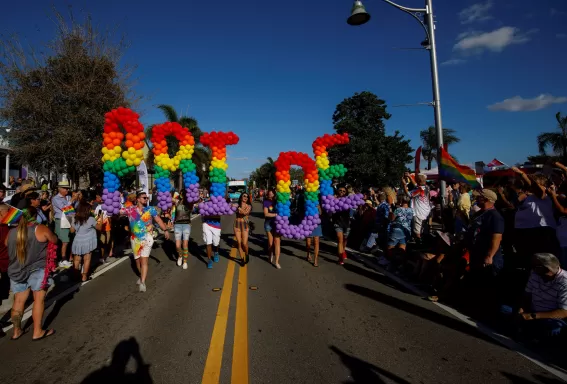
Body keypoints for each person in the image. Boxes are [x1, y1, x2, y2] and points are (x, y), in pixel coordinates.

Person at [6, 207, 58, 340]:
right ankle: (37, 331)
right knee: (38, 299)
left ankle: (16, 331)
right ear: (34, 216)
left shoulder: (11, 232)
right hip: (37, 269)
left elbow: (7, 244)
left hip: (16, 270)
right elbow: (54, 240)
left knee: (18, 300)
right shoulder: (40, 229)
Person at [121, 192, 169, 292]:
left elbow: (158, 220)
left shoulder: (150, 209)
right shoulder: (131, 210)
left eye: (147, 198)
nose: (146, 199)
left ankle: (143, 282)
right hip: (135, 239)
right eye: (144, 197)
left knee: (144, 261)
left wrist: (165, 230)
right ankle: (141, 275)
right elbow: (117, 211)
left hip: (147, 238)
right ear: (138, 199)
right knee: (137, 261)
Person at [517, 253, 567, 339]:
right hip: (532, 311)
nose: (533, 268)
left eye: (536, 267)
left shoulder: (564, 281)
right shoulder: (535, 273)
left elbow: (563, 312)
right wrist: (522, 309)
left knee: (554, 329)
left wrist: (533, 316)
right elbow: (527, 295)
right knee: (504, 309)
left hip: (549, 316)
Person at [70, 201, 101, 281]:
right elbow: (99, 228)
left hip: (77, 241)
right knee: (87, 259)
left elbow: (72, 231)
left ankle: (75, 276)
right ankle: (84, 276)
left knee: (77, 259)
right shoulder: (91, 219)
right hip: (87, 241)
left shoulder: (75, 218)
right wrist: (100, 220)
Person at [386, 195, 414, 262]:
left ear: (401, 201)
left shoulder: (398, 209)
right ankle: (400, 263)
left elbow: (392, 219)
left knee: (390, 247)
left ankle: (389, 262)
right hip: (406, 231)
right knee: (402, 248)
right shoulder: (411, 210)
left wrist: (390, 211)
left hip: (397, 229)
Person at [52, 180, 73, 268]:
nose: (66, 190)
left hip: (69, 219)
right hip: (61, 220)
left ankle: (66, 257)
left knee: (69, 239)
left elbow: (72, 209)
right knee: (64, 240)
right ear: (59, 189)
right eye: (65, 188)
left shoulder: (68, 197)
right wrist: (72, 200)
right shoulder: (56, 198)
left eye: (67, 188)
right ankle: (63, 259)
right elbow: (65, 208)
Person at [404, 174, 431, 243]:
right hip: (426, 212)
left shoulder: (418, 190)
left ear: (419, 181)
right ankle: (425, 242)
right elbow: (416, 184)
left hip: (419, 213)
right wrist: (410, 177)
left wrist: (404, 185)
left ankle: (419, 244)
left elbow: (408, 194)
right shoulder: (427, 187)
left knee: (417, 232)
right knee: (423, 229)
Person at [174, 190, 194, 270]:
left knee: (185, 244)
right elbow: (169, 198)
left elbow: (195, 200)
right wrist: (177, 196)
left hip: (186, 225)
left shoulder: (190, 203)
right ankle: (180, 256)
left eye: (186, 194)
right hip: (177, 225)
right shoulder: (177, 202)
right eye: (183, 193)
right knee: (177, 245)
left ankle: (185, 262)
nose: (184, 195)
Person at [332, 185, 351, 265]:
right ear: (337, 191)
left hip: (346, 223)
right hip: (337, 222)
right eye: (340, 191)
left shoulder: (348, 200)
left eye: (344, 191)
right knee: (340, 240)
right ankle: (340, 258)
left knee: (344, 240)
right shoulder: (334, 200)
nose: (342, 192)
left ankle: (343, 250)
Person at [263, 189, 281, 269]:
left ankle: (277, 262)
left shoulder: (278, 201)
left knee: (277, 242)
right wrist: (275, 214)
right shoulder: (266, 202)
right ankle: (270, 255)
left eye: (272, 194)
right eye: (269, 194)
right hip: (268, 224)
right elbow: (266, 214)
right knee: (270, 243)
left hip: (278, 225)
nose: (271, 195)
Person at [234, 192, 251, 265]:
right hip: (236, 224)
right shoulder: (237, 205)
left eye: (247, 197)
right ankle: (242, 259)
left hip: (245, 225)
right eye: (244, 196)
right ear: (241, 197)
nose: (245, 197)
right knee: (239, 243)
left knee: (244, 243)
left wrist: (238, 208)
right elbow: (232, 209)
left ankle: (247, 254)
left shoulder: (249, 206)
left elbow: (245, 213)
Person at [306, 202, 323, 267]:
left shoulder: (318, 202)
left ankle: (315, 260)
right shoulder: (306, 200)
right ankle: (308, 254)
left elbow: (321, 213)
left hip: (317, 223)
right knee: (308, 243)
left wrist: (319, 207)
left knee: (316, 242)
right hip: (308, 223)